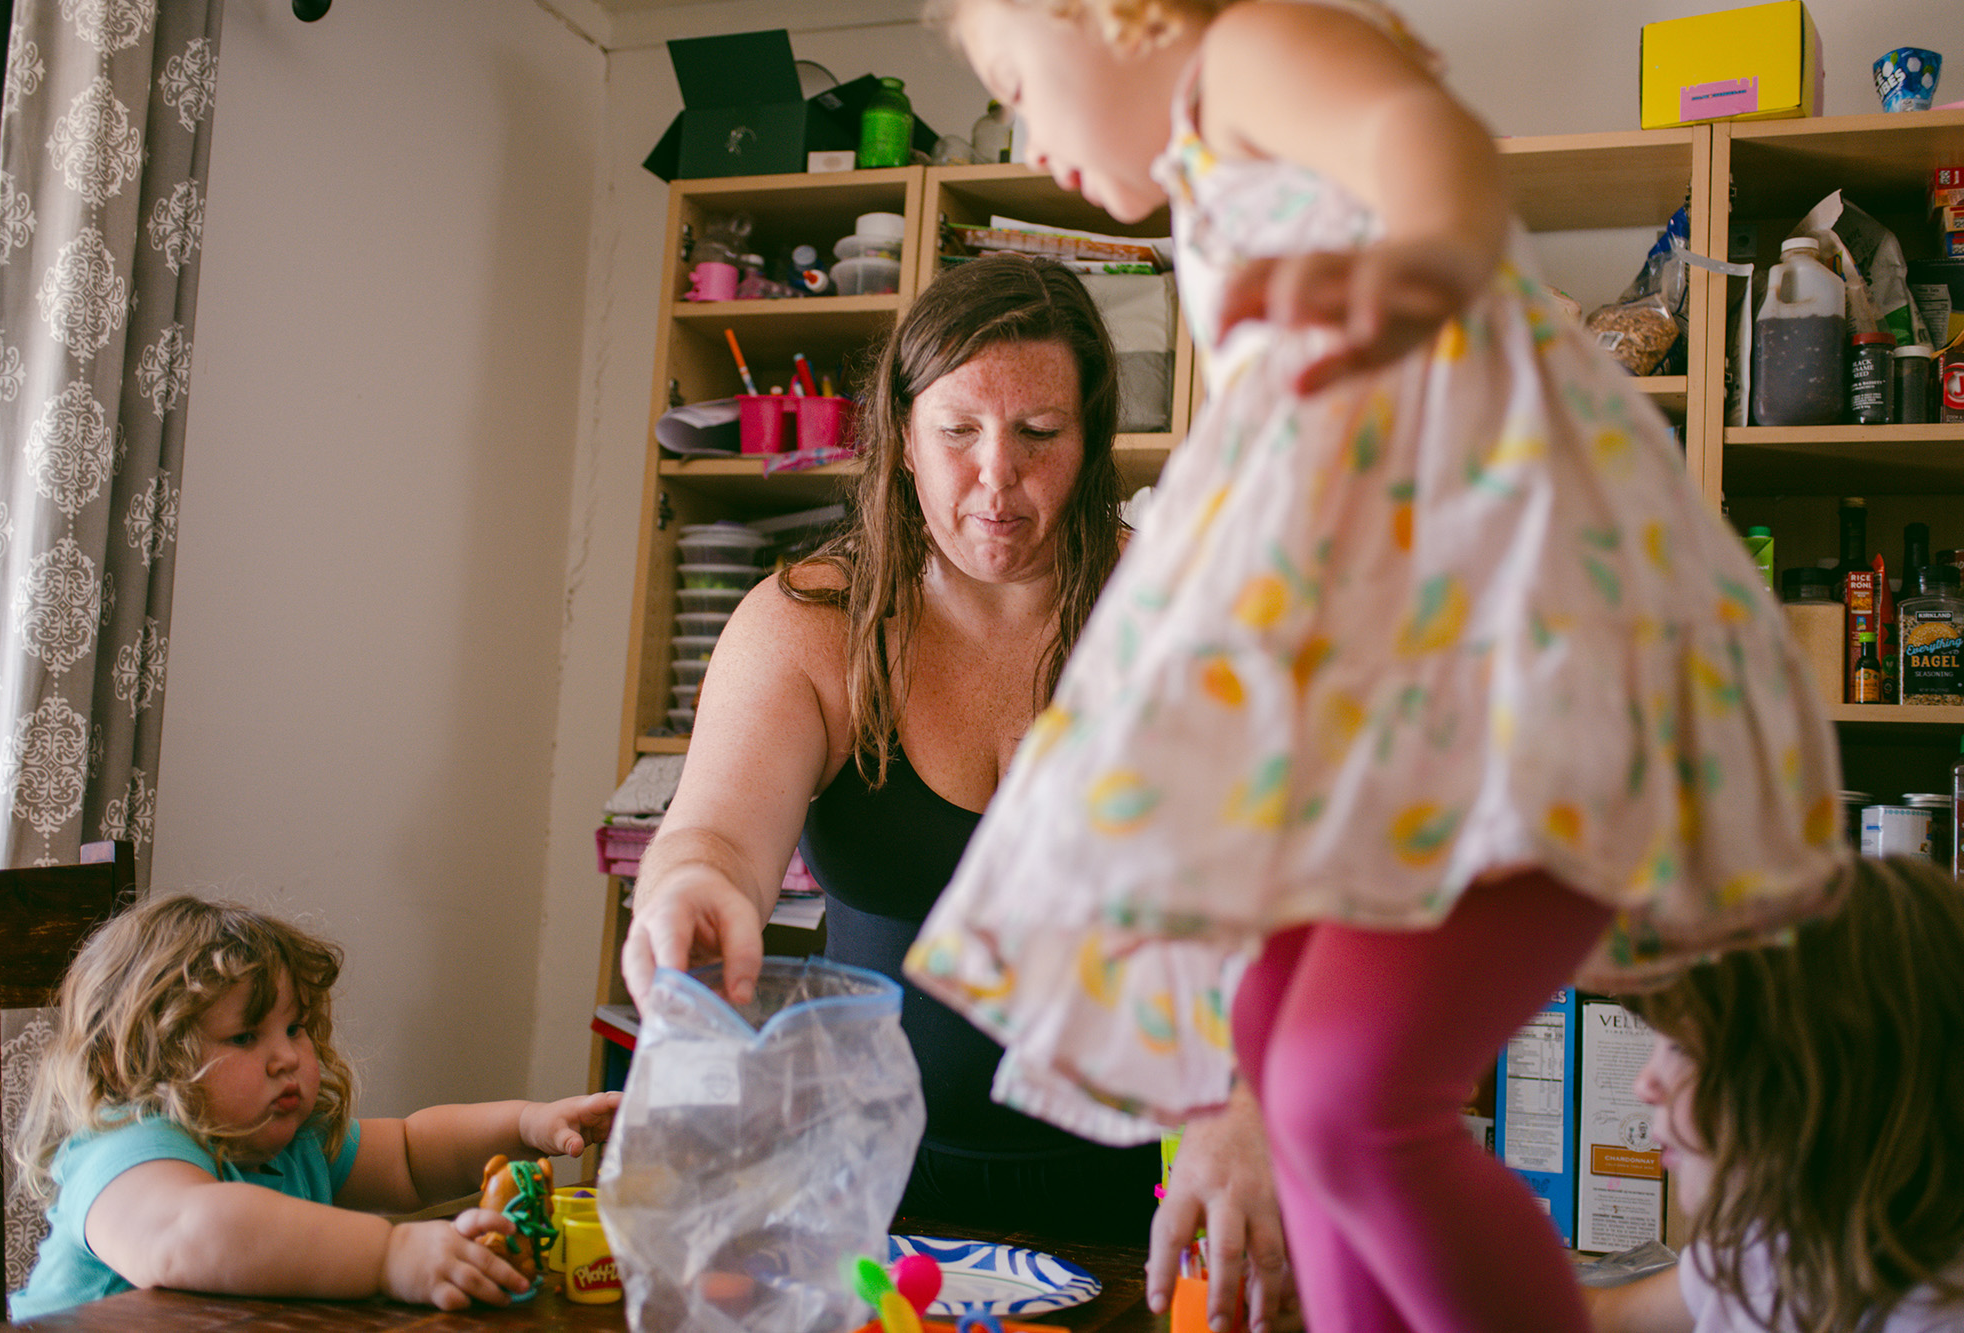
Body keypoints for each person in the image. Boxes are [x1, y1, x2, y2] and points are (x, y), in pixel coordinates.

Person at [902, 2, 1850, 1331]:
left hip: (1511, 668)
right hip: (1414, 693)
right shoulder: (1210, 164)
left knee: (1351, 1101)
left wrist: (1417, 272)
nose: (1023, 127)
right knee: (1291, 1085)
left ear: (1106, 14)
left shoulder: (1245, 54)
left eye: (1014, 78)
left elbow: (1427, 139)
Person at [623, 252, 1294, 1332]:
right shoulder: (808, 625)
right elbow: (712, 838)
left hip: (1144, 1174)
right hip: (863, 1179)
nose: (996, 479)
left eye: (1038, 434)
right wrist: (688, 889)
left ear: (1090, 438)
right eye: (958, 433)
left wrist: (1251, 1097)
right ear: (899, 434)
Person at [9, 893, 620, 1318]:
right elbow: (189, 1232)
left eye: (295, 1029)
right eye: (246, 1038)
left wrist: (526, 1124)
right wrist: (390, 1257)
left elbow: (411, 1154)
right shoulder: (129, 1146)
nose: (286, 1058)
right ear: (146, 1060)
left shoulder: (289, 1137)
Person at [1589, 855, 1964, 1333]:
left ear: (1815, 1085)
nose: (1645, 1084)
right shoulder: (1773, 1244)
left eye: (1681, 1047)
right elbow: (1598, 1317)